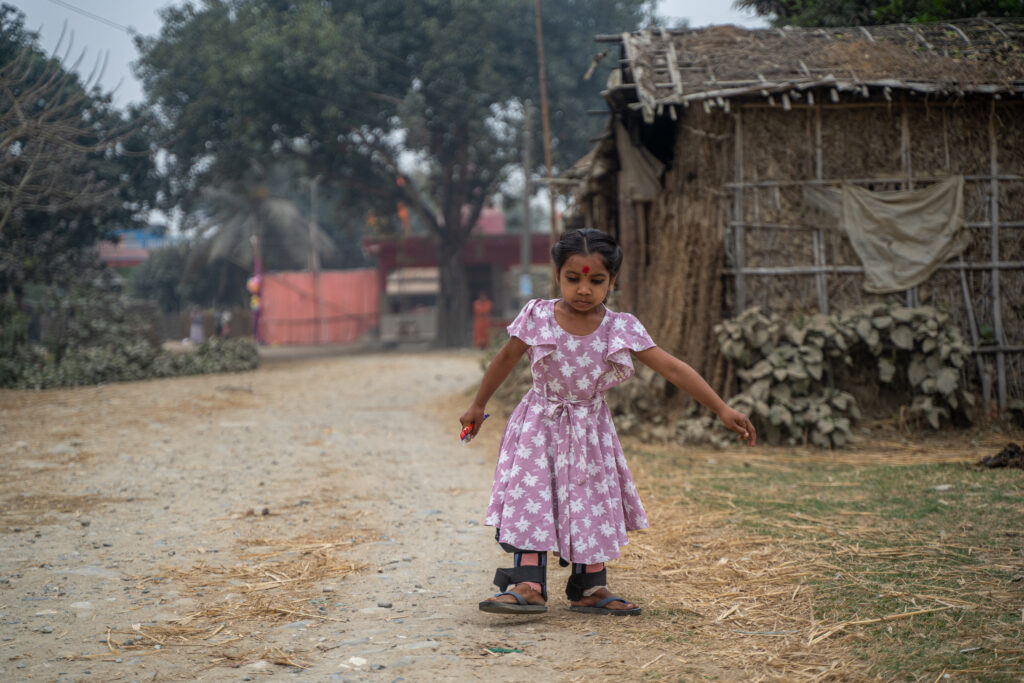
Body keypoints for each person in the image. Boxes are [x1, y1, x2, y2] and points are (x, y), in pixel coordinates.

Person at [459, 228, 756, 616]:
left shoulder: (621, 328)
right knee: (532, 501)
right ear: (558, 276)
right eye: (574, 278)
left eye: (596, 280)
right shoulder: (537, 316)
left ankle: (590, 587)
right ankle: (528, 586)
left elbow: (673, 367)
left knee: (591, 503)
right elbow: (504, 359)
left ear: (612, 281)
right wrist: (477, 406)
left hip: (590, 431)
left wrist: (721, 408)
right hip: (539, 425)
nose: (584, 289)